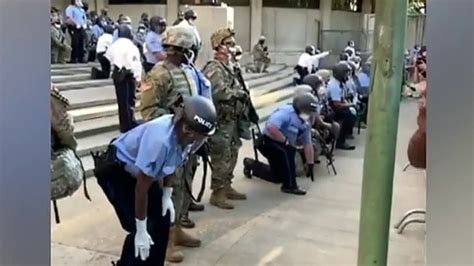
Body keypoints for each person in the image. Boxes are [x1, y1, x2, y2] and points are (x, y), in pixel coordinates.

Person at [92, 95, 217, 266]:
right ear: (187, 128)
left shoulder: (187, 137)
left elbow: (172, 162)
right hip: (117, 172)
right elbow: (141, 189)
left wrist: (167, 193)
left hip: (141, 173)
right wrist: (142, 228)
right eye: (201, 136)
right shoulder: (160, 141)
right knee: (141, 229)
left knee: (162, 221)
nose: (202, 141)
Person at [139, 25, 207, 263]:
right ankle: (164, 243)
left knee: (183, 187)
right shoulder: (158, 74)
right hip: (170, 143)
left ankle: (176, 230)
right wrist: (176, 119)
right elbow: (147, 110)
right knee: (168, 191)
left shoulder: (187, 71)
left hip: (187, 144)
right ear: (184, 48)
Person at [202, 28, 248, 210]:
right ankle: (217, 193)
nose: (231, 48)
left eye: (232, 44)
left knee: (233, 152)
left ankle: (227, 186)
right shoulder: (214, 67)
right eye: (228, 44)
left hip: (232, 119)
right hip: (221, 121)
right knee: (221, 156)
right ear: (218, 46)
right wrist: (238, 94)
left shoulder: (229, 67)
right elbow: (218, 92)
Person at [243, 92, 318, 195]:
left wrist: (310, 164)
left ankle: (251, 165)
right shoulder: (286, 113)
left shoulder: (306, 123)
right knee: (287, 153)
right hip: (268, 141)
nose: (310, 114)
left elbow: (307, 143)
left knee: (278, 177)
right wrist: (285, 141)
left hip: (283, 143)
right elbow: (271, 128)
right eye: (308, 111)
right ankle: (290, 186)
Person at [105, 25, 142, 133]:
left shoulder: (114, 45)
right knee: (130, 100)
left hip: (117, 73)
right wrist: (138, 77)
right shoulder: (132, 46)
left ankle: (124, 125)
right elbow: (136, 63)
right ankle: (130, 122)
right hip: (129, 74)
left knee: (122, 101)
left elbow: (108, 56)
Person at [327, 62, 357, 150]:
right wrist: (350, 105)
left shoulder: (340, 83)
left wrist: (348, 104)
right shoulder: (334, 85)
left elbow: (342, 98)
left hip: (336, 106)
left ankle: (344, 135)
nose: (347, 75)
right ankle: (340, 141)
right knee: (349, 116)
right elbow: (336, 104)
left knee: (351, 112)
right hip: (331, 108)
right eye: (345, 73)